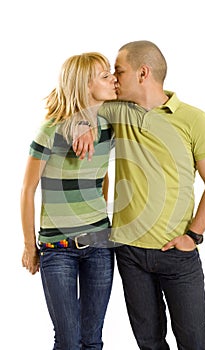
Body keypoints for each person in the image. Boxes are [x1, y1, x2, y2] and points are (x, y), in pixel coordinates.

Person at [73, 40, 205, 349]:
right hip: (129, 252)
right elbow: (72, 103)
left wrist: (193, 236)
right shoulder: (116, 111)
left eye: (120, 71)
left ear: (143, 73)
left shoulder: (194, 120)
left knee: (195, 342)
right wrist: (81, 123)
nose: (114, 78)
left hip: (177, 253)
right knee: (149, 342)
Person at [20, 52, 117, 350]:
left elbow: (102, 177)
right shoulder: (49, 132)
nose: (113, 79)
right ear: (84, 85)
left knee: (92, 340)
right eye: (104, 75)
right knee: (68, 341)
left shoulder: (109, 128)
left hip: (100, 246)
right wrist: (28, 246)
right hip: (57, 249)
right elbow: (27, 189)